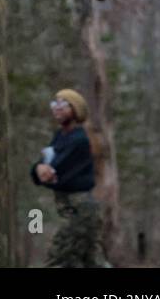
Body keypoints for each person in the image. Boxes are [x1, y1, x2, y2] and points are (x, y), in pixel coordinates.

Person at [30, 89, 109, 267]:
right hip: (69, 207)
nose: (57, 108)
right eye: (55, 103)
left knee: (58, 258)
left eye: (63, 104)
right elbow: (41, 167)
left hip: (80, 210)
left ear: (75, 110)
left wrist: (43, 171)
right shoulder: (60, 136)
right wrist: (38, 169)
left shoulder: (79, 139)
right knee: (90, 260)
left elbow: (54, 172)